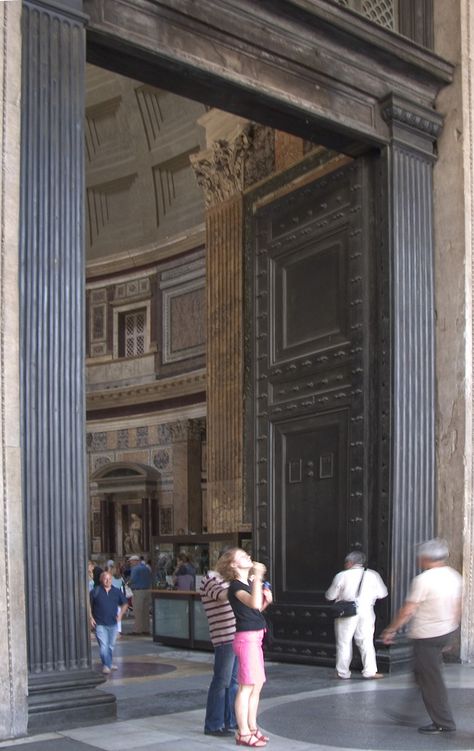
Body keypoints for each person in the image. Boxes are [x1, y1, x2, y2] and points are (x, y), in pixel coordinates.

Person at [381, 538, 462, 735]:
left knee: (431, 680)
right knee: (421, 674)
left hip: (427, 636)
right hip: (443, 632)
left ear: (426, 558)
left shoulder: (423, 580)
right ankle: (408, 713)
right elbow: (457, 607)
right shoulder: (454, 576)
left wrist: (391, 630)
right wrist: (451, 634)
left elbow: (408, 610)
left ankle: (444, 723)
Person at [216, 548, 272, 748]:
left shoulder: (247, 583)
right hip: (246, 639)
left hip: (255, 636)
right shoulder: (236, 587)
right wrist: (258, 577)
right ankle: (243, 732)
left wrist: (265, 598)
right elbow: (254, 603)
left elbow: (255, 609)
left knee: (256, 685)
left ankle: (252, 727)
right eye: (242, 556)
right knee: (246, 686)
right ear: (233, 564)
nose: (248, 556)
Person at [325, 551, 388, 680]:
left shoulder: (341, 575)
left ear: (349, 562)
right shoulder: (372, 575)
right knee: (366, 641)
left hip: (347, 612)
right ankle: (370, 671)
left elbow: (330, 595)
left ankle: (343, 672)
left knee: (344, 642)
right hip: (366, 611)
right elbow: (382, 594)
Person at [200, 556, 238, 737]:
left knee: (233, 683)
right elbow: (223, 596)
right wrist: (240, 584)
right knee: (221, 681)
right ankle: (214, 724)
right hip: (225, 637)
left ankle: (229, 720)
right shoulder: (210, 579)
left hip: (237, 636)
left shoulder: (230, 582)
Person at [90, 571, 128, 674]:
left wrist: (120, 616)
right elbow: (88, 605)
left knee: (110, 646)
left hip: (113, 623)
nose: (108, 581)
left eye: (110, 579)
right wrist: (90, 617)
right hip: (100, 623)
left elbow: (125, 603)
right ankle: (106, 666)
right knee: (103, 646)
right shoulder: (95, 591)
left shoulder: (116, 591)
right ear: (101, 580)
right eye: (106, 579)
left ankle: (109, 663)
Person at [129, 554, 152, 634]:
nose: (130, 563)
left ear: (136, 561)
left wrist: (127, 583)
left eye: (131, 561)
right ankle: (146, 629)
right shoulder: (146, 568)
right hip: (147, 590)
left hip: (138, 591)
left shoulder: (135, 569)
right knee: (145, 611)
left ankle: (137, 630)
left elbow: (133, 579)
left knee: (138, 611)